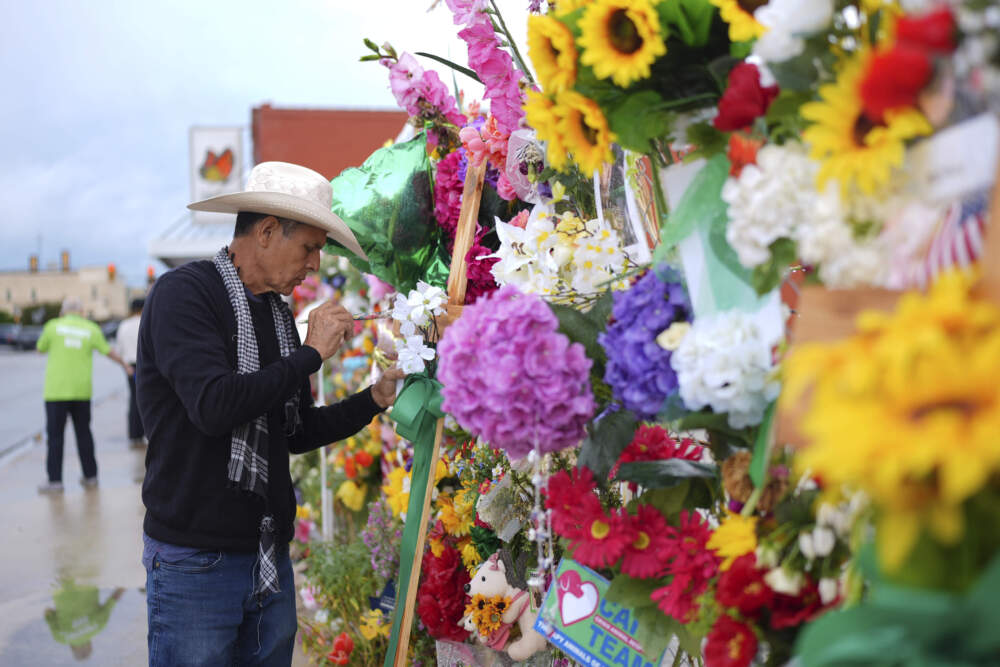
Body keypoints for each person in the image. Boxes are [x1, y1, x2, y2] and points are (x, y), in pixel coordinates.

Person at [136, 161, 405, 666]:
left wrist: (374, 398)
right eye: (308, 248)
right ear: (264, 232)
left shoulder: (276, 314)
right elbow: (215, 407)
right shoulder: (184, 296)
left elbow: (296, 429)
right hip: (197, 562)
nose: (314, 266)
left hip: (267, 557)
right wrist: (309, 355)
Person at [37, 297, 129, 493]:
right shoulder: (90, 329)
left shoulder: (53, 326)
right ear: (81, 311)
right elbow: (107, 351)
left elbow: (40, 348)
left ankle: (55, 481)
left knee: (55, 437)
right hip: (81, 391)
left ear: (63, 311)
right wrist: (125, 365)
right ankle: (91, 476)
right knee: (84, 433)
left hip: (56, 392)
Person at [44, 578, 125, 661]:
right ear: (72, 648)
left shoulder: (99, 626)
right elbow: (48, 612)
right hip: (59, 584)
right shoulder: (60, 637)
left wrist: (128, 581)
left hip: (87, 580)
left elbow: (115, 597)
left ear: (90, 644)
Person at [114, 297, 144, 448]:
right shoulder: (145, 321)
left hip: (130, 365)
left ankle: (134, 433)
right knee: (147, 399)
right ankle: (146, 431)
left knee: (133, 399)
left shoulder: (124, 325)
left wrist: (125, 366)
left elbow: (119, 348)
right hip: (145, 364)